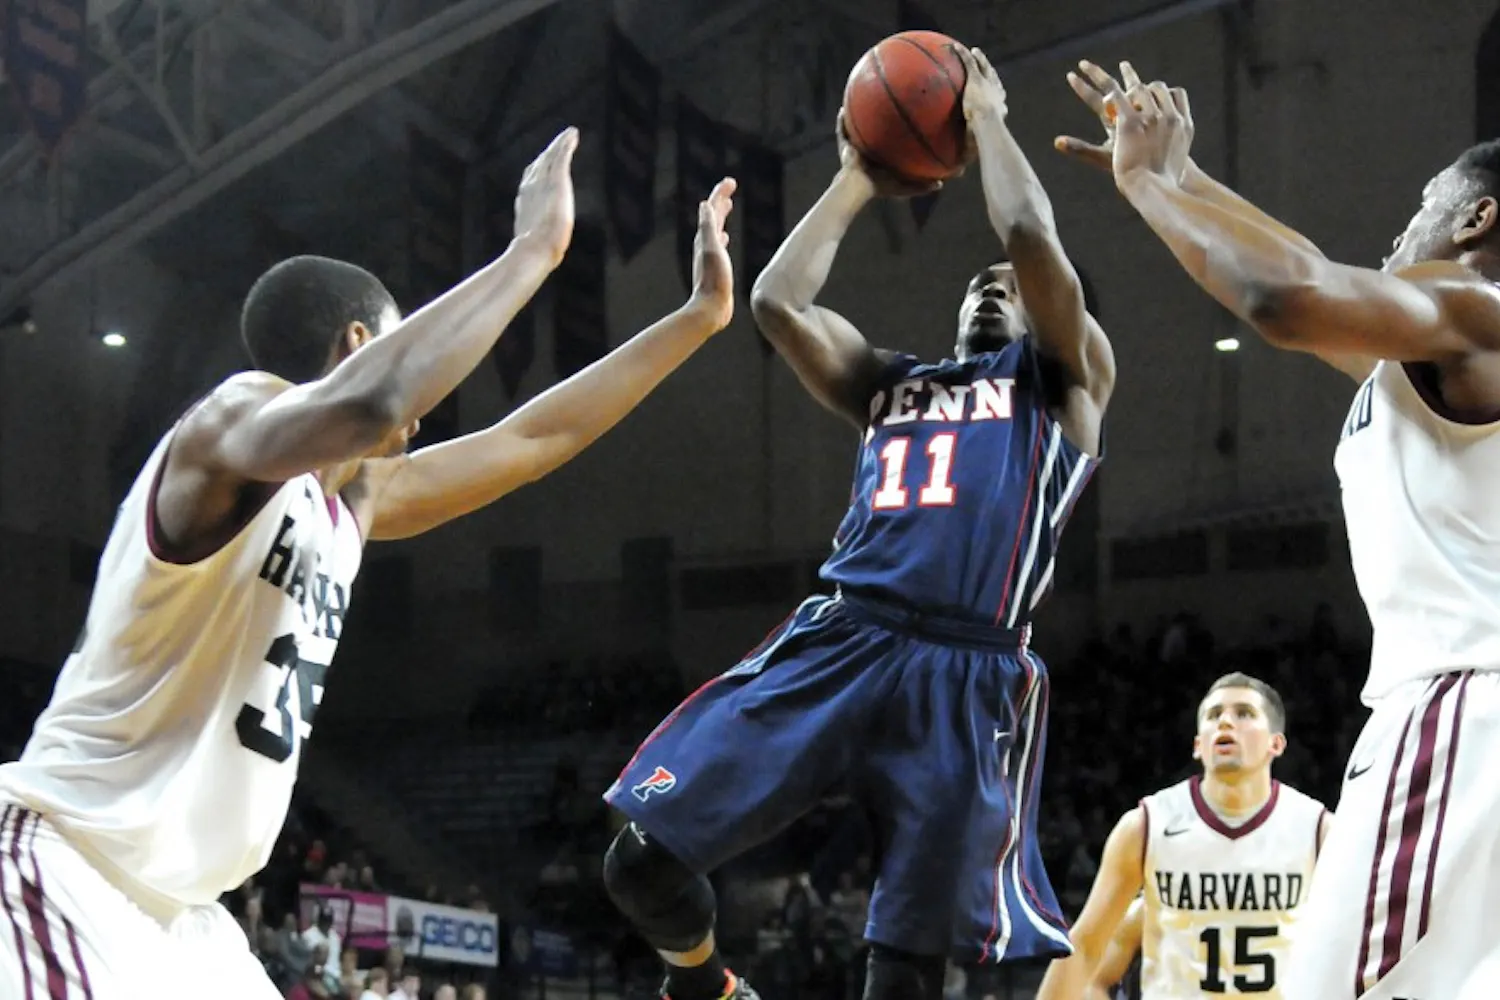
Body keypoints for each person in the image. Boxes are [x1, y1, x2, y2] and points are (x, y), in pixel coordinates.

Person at [0, 124, 740, 998]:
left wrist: (696, 322)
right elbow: (384, 397)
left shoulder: (355, 499)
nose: (423, 414)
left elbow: (538, 436)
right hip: (72, 865)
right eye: (396, 354)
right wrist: (533, 252)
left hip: (188, 919)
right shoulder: (226, 425)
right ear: (357, 344)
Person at [602, 46, 1114, 1000]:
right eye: (975, 285)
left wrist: (989, 121)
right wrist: (852, 179)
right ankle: (711, 985)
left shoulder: (1062, 386)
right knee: (639, 863)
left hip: (968, 671)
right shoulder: (891, 384)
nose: (992, 284)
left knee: (908, 973)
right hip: (844, 635)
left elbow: (1033, 239)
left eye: (1007, 285)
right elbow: (777, 303)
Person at [1060, 57, 1500, 999]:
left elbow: (1286, 296)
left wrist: (1145, 184)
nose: (1401, 223)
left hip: (1465, 715)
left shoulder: (1477, 313)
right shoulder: (1438, 358)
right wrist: (1185, 177)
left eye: (1427, 200)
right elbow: (1296, 265)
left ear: (1477, 219)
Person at [1037, 674, 1329, 999]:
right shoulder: (1145, 827)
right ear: (1198, 745)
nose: (1226, 722)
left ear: (1276, 743)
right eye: (1214, 715)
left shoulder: (1319, 830)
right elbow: (1086, 949)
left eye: (1244, 713)